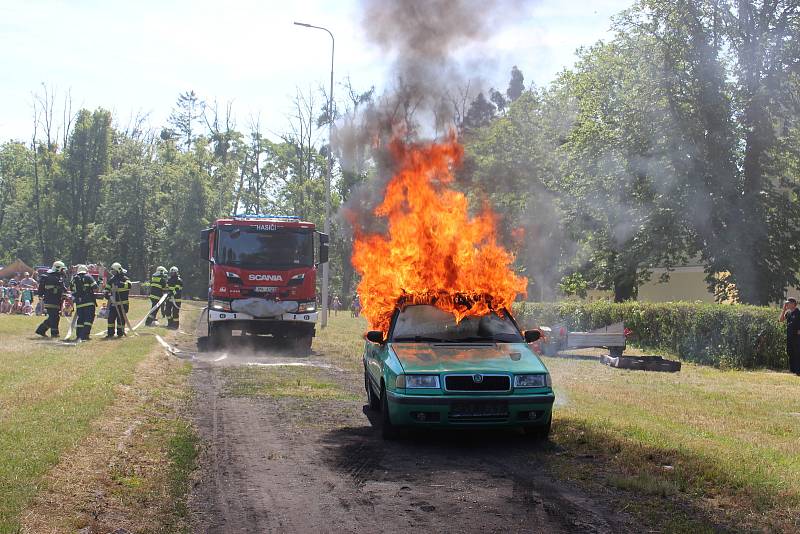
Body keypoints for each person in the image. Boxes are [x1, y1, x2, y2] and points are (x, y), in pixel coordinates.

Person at [35, 261, 68, 338]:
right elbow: (41, 288)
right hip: (50, 299)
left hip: (56, 300)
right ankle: (54, 333)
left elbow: (63, 289)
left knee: (54, 316)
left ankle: (41, 330)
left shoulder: (58, 277)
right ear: (57, 268)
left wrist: (65, 294)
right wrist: (40, 296)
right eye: (62, 269)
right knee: (54, 317)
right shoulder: (48, 276)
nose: (63, 271)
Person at [70, 264, 98, 341]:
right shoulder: (88, 277)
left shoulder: (74, 279)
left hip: (79, 303)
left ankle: (79, 335)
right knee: (88, 319)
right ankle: (85, 335)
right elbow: (96, 288)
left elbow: (72, 290)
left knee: (80, 319)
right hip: (89, 302)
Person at [104, 262, 131, 338]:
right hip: (113, 303)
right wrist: (106, 294)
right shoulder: (111, 280)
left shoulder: (125, 278)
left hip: (123, 304)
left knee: (121, 319)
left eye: (114, 271)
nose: (113, 273)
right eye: (112, 271)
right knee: (111, 318)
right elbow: (107, 289)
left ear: (118, 270)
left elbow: (129, 285)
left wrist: (120, 284)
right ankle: (110, 333)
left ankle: (120, 333)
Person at [780, 298, 800, 375]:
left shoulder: (798, 313)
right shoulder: (788, 313)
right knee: (790, 353)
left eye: (788, 303)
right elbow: (781, 320)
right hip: (789, 337)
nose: (787, 305)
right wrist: (784, 309)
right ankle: (793, 370)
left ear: (793, 304)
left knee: (797, 353)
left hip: (797, 338)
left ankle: (798, 371)